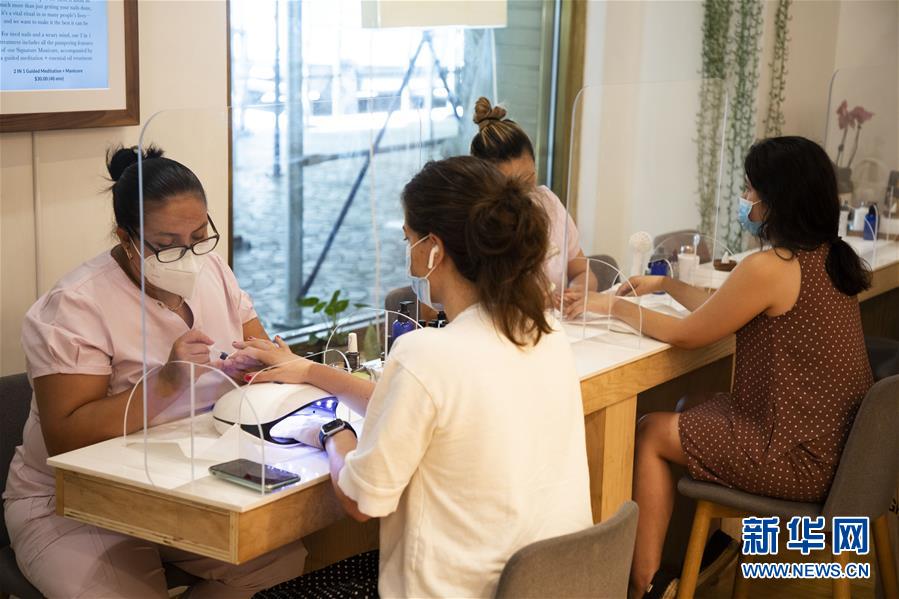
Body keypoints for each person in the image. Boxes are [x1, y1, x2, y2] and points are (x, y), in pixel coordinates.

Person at [234, 156, 593, 598]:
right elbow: (426, 405)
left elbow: (361, 501)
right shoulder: (546, 334)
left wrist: (331, 432)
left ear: (434, 248)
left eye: (409, 241)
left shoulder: (428, 353)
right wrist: (311, 370)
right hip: (549, 586)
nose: (409, 260)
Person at [566, 136, 874, 598]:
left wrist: (613, 307)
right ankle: (699, 553)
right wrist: (665, 284)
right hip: (843, 454)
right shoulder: (829, 258)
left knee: (651, 432)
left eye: (750, 190)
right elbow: (725, 307)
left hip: (799, 461)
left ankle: (647, 586)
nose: (744, 199)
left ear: (776, 201)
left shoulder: (772, 267)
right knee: (692, 404)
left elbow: (689, 335)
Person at [3, 145, 307, 598]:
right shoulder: (75, 305)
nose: (188, 255)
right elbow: (66, 438)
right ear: (126, 239)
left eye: (199, 237)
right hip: (74, 502)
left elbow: (261, 356)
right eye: (166, 245)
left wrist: (261, 367)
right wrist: (166, 382)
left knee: (278, 565)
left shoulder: (213, 271)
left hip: (187, 483)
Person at [470, 97, 596, 296]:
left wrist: (576, 291)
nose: (522, 194)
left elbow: (582, 271)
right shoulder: (474, 224)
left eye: (528, 180)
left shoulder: (548, 203)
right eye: (510, 187)